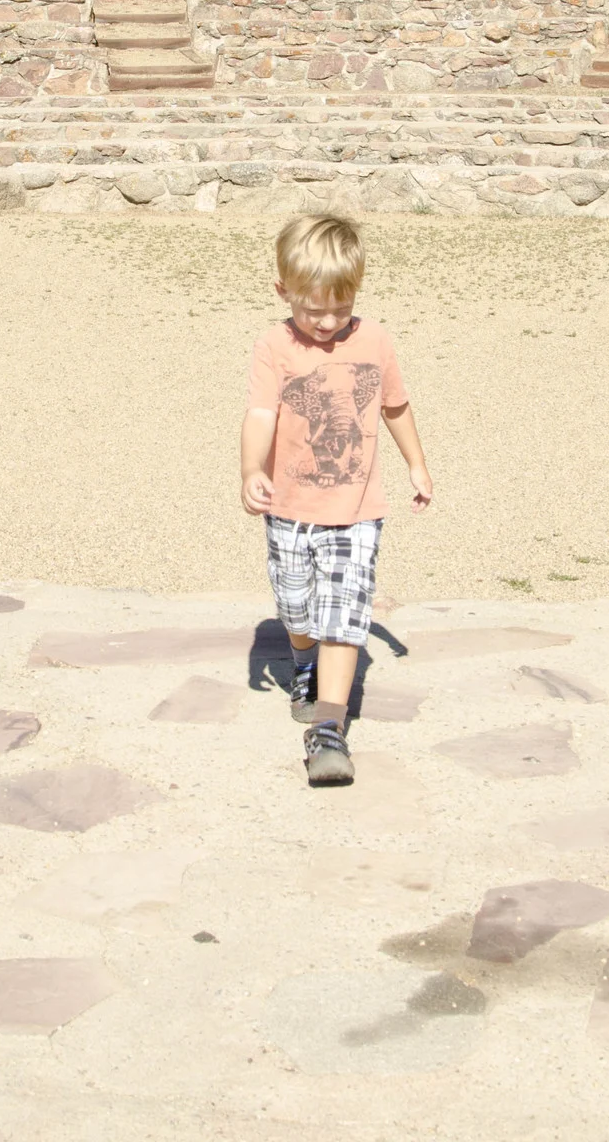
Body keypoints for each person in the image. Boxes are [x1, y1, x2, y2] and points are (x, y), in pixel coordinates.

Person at [239, 213, 433, 787]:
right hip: (290, 508)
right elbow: (259, 413)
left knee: (344, 617)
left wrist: (417, 464)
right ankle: (303, 663)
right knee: (297, 609)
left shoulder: (373, 340)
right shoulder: (274, 345)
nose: (326, 323)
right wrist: (252, 468)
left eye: (340, 310)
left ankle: (329, 728)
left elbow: (395, 405)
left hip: (357, 509)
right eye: (311, 310)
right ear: (283, 291)